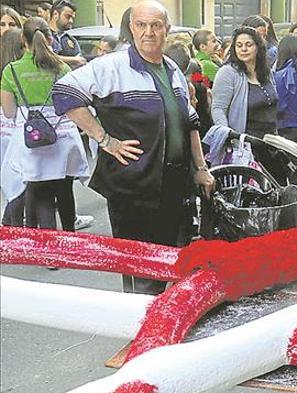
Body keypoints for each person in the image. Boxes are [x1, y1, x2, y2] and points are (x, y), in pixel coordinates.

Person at [53, 0, 215, 294]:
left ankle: (158, 322)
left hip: (172, 185)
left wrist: (201, 168)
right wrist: (105, 140)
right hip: (132, 187)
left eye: (156, 25)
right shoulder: (111, 67)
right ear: (131, 29)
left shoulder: (173, 71)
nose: (149, 32)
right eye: (141, 25)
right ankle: (139, 327)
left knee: (166, 263)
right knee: (139, 269)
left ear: (167, 30)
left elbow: (190, 123)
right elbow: (64, 92)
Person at [1, 17, 89, 232]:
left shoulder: (11, 71)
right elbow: (74, 104)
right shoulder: (63, 69)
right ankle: (69, 235)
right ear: (50, 38)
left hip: (32, 142)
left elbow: (9, 112)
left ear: (23, 38)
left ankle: (46, 247)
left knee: (40, 192)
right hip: (64, 141)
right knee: (64, 189)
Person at [212, 26, 277, 140]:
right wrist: (228, 137)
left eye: (249, 45)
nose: (243, 49)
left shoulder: (266, 72)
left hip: (271, 142)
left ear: (258, 47)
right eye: (239, 45)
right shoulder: (228, 73)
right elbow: (218, 109)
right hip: (244, 145)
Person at [1, 27, 25, 227]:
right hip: (15, 131)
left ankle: (10, 221)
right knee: (20, 180)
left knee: (8, 178)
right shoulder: (17, 71)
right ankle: (12, 224)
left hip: (3, 133)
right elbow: (11, 111)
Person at [48, 0, 85, 69]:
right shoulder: (43, 35)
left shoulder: (72, 40)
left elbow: (80, 61)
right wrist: (73, 60)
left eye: (72, 18)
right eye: (68, 16)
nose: (71, 21)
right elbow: (46, 58)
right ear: (55, 14)